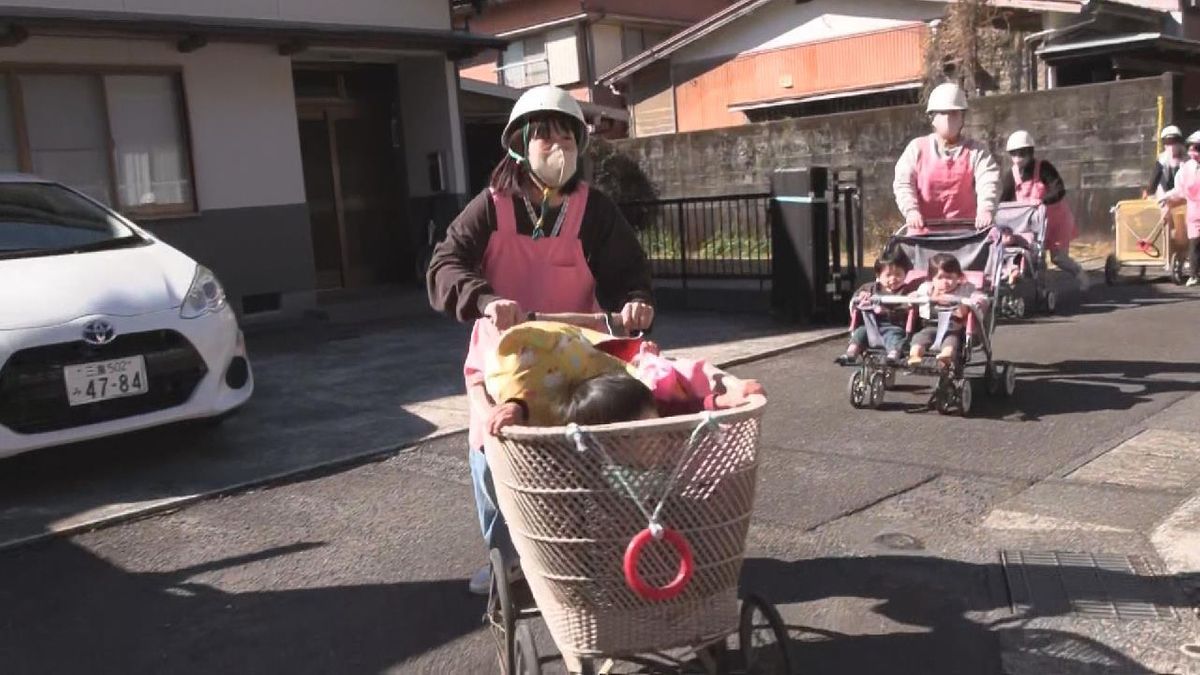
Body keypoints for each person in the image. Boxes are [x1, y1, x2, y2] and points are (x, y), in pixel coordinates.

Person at [426, 85, 655, 595]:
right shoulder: (490, 207)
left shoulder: (593, 210)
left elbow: (627, 271)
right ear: (519, 144)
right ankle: (506, 558)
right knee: (493, 455)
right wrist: (484, 299)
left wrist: (636, 301)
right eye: (545, 138)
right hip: (505, 363)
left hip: (576, 356)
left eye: (568, 138)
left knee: (593, 451)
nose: (559, 149)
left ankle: (595, 546)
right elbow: (445, 266)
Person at [893, 82, 1000, 234]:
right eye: (943, 113)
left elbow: (988, 180)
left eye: (954, 113)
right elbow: (903, 182)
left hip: (965, 238)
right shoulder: (917, 148)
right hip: (923, 236)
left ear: (963, 116)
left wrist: (986, 209)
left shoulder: (976, 151)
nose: (949, 118)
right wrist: (911, 211)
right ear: (932, 117)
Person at [999, 130, 1088, 291]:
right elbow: (1003, 201)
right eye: (1014, 154)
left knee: (1059, 258)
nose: (1018, 158)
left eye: (1022, 153)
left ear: (1030, 152)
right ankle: (1042, 287)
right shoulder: (1010, 175)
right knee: (1033, 255)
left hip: (1056, 220)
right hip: (1032, 223)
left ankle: (1079, 273)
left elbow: (1058, 189)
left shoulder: (1044, 168)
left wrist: (1043, 200)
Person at [835, 253, 913, 366]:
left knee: (895, 337)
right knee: (859, 333)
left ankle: (893, 355)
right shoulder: (870, 288)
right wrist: (861, 296)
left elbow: (907, 309)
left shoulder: (907, 291)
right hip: (871, 325)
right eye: (888, 275)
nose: (893, 279)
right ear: (878, 275)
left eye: (898, 274)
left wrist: (887, 311)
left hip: (894, 326)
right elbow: (856, 299)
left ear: (905, 274)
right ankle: (851, 353)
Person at [907, 254, 983, 369]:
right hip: (930, 326)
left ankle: (946, 357)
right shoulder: (926, 289)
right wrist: (911, 298)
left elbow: (980, 297)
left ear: (958, 277)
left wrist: (974, 301)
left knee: (951, 343)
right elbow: (915, 296)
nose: (945, 282)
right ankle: (915, 356)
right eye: (940, 278)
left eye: (949, 277)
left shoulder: (965, 289)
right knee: (919, 339)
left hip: (953, 329)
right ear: (931, 279)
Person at [1163, 130, 1200, 286]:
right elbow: (1179, 189)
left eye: (1197, 148)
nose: (1193, 152)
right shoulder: (1186, 169)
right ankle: (1194, 274)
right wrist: (1165, 197)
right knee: (1195, 244)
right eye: (1192, 148)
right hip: (1194, 213)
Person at [1145, 125, 1186, 200]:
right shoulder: (1162, 160)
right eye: (1168, 142)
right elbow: (1153, 182)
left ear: (1180, 142)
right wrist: (1148, 193)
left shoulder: (1188, 160)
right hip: (1165, 197)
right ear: (1164, 145)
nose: (1172, 146)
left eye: (1174, 141)